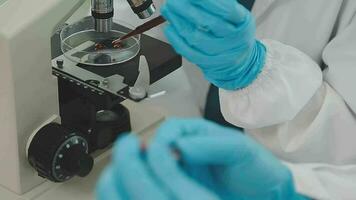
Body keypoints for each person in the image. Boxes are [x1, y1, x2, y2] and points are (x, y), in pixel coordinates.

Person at [97, 0, 356, 199]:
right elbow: (137, 19)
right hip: (182, 125)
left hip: (295, 174)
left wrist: (252, 71)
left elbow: (346, 144)